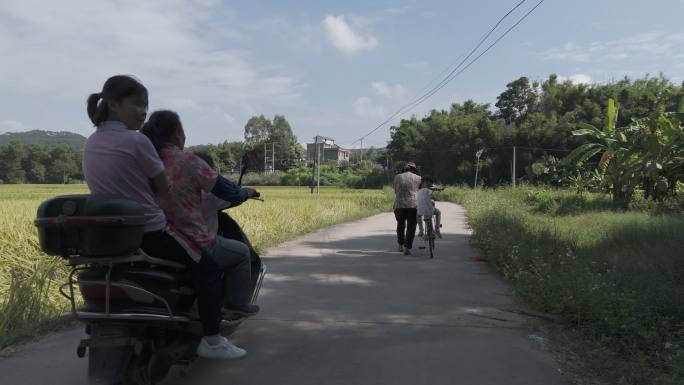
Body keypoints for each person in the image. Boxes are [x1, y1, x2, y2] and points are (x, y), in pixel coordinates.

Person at [83, 75, 244, 360]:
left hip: (110, 234)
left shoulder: (92, 142)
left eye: (146, 106)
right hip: (150, 229)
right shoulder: (137, 142)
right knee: (208, 269)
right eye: (137, 104)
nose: (143, 112)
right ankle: (212, 340)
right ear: (113, 105)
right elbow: (162, 188)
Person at [141, 110, 259, 320]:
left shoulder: (144, 160)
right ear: (177, 133)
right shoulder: (188, 161)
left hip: (150, 236)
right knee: (241, 253)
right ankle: (235, 304)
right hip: (189, 237)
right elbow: (228, 191)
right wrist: (246, 192)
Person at [393, 161, 421, 255]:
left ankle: (400, 245)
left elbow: (395, 191)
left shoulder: (397, 177)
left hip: (399, 205)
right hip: (413, 205)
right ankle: (407, 248)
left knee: (400, 225)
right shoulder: (418, 178)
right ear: (414, 170)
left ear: (405, 169)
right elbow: (421, 190)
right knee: (411, 227)